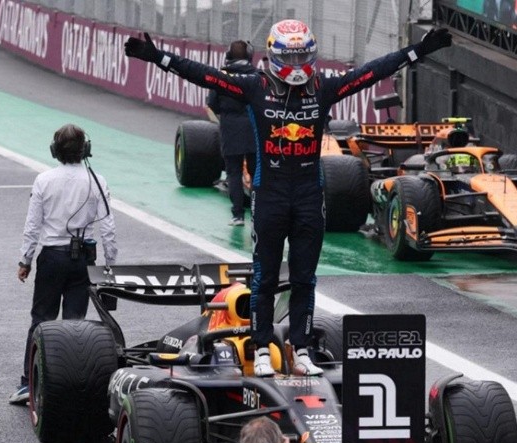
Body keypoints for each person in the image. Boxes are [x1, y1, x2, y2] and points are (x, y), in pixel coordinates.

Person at [125, 20, 452, 377]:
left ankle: (301, 349)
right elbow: (204, 76)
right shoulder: (254, 86)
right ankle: (262, 346)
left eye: (303, 56)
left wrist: (419, 50)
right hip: (270, 195)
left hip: (310, 195)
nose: (297, 65)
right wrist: (158, 57)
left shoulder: (324, 87)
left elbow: (373, 72)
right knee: (264, 277)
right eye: (289, 56)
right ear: (274, 55)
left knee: (305, 278)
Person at [9, 123, 117, 404]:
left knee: (41, 321)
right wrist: (110, 266)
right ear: (86, 150)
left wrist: (25, 260)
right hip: (84, 260)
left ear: (55, 151)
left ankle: (27, 384)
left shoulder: (44, 180)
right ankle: (71, 389)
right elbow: (108, 228)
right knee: (75, 325)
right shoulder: (97, 180)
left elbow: (33, 226)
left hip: (52, 258)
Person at [207, 40, 258, 226]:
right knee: (257, 173)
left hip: (230, 128)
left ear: (229, 56)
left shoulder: (222, 76)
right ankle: (257, 213)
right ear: (250, 55)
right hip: (254, 128)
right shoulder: (257, 75)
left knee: (234, 173)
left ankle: (237, 215)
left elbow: (212, 103)